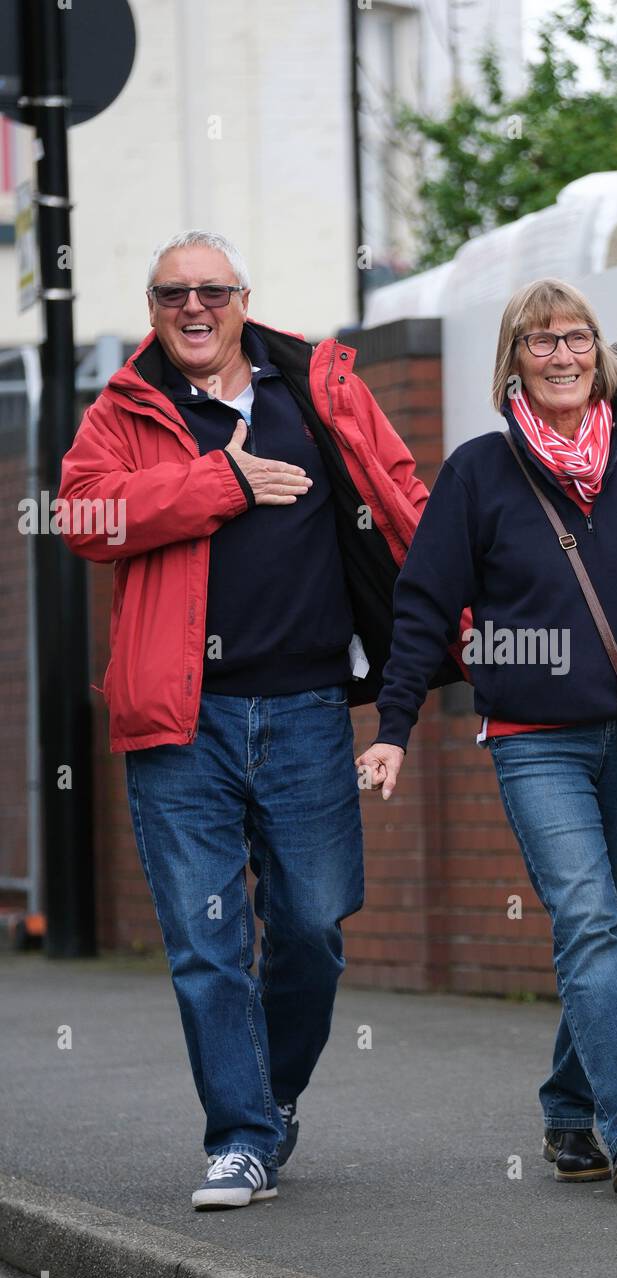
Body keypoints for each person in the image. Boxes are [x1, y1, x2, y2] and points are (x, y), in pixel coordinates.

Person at [59, 230, 458, 1210]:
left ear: (243, 299)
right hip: (177, 720)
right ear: (152, 309)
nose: (192, 308)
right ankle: (238, 1137)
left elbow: (399, 489)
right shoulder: (125, 406)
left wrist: (459, 598)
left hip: (308, 706)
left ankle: (270, 1100)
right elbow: (83, 517)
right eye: (170, 294)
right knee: (206, 942)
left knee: (313, 927)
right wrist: (217, 483)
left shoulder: (316, 387)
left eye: (210, 290)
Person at [357, 277, 617, 1198]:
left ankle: (569, 1109)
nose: (560, 356)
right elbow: (423, 607)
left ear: (597, 352)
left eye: (575, 339)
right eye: (538, 342)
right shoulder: (480, 472)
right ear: (512, 360)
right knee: (590, 921)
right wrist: (394, 727)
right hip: (537, 742)